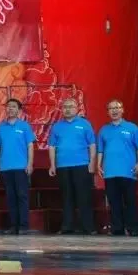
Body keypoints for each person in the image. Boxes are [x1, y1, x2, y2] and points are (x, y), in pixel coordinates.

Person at [97, 99, 138, 237]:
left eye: (117, 107)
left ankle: (133, 228)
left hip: (128, 171)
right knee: (114, 201)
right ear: (107, 112)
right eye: (111, 108)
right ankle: (117, 228)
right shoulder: (103, 130)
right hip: (110, 172)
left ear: (122, 110)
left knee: (130, 201)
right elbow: (100, 150)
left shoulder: (132, 128)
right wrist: (98, 165)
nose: (114, 110)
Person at [48, 98, 97, 235]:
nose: (68, 109)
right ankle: (67, 226)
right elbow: (52, 146)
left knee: (84, 196)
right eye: (65, 107)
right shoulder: (57, 126)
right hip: (63, 166)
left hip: (81, 165)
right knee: (66, 197)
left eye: (71, 106)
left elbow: (92, 144)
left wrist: (92, 163)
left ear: (77, 109)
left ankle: (88, 227)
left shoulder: (85, 124)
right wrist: (52, 165)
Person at [0, 99, 36, 235]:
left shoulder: (24, 126)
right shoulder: (1, 127)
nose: (10, 109)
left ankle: (23, 226)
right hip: (5, 167)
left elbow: (30, 146)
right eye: (8, 106)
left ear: (19, 110)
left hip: (21, 167)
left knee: (22, 196)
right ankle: (13, 225)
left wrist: (30, 164)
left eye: (13, 106)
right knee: (10, 197)